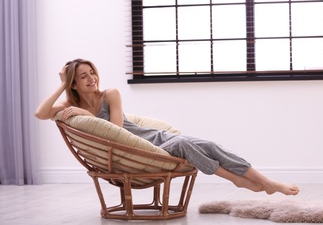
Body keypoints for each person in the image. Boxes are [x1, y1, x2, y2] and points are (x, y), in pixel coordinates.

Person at [35, 58, 299, 196]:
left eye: (92, 72)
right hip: (141, 149)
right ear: (73, 84)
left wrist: (84, 112)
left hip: (152, 138)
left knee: (207, 144)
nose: (91, 78)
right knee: (185, 143)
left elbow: (118, 129)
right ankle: (237, 180)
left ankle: (263, 180)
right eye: (83, 76)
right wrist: (62, 83)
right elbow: (40, 113)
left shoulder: (110, 93)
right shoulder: (69, 103)